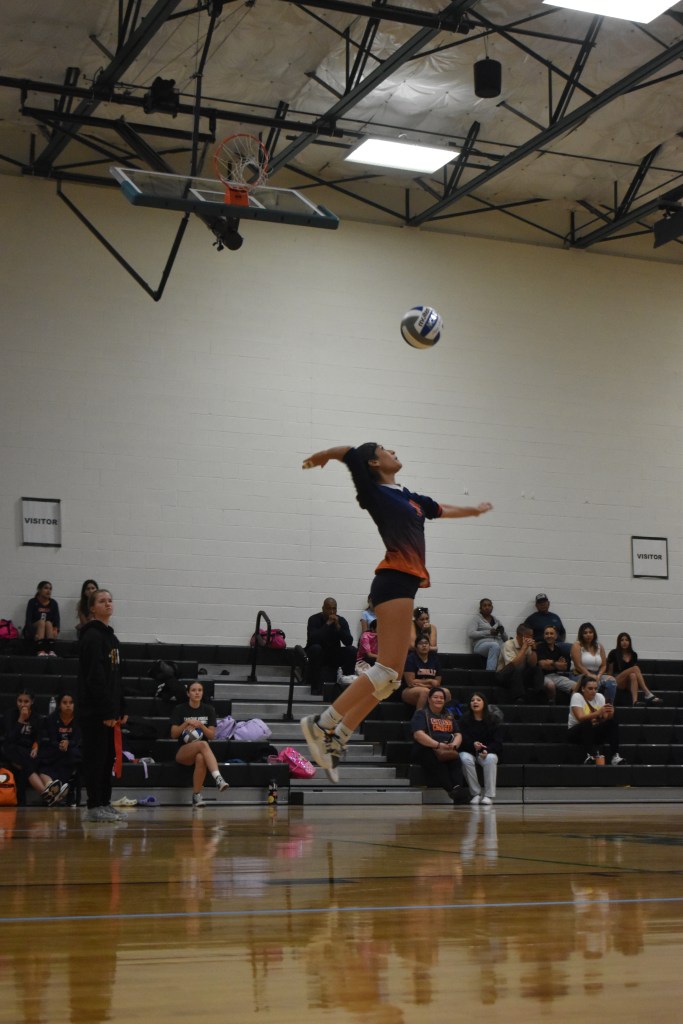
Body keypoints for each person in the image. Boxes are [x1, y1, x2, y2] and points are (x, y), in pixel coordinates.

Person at [300, 442, 492, 782]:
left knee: (388, 681)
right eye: (387, 450)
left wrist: (473, 511)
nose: (394, 451)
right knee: (386, 670)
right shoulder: (374, 492)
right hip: (392, 581)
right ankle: (322, 724)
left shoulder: (409, 496)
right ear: (375, 462)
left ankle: (338, 737)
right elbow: (350, 454)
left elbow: (440, 509)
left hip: (406, 584)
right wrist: (327, 455)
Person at [78, 589, 128, 823]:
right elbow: (95, 678)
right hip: (95, 712)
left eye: (110, 600)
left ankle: (104, 802)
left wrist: (121, 707)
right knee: (95, 758)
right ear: (92, 608)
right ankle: (93, 804)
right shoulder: (92, 637)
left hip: (109, 711)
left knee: (108, 757)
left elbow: (117, 677)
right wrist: (107, 710)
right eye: (102, 601)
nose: (108, 603)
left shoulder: (112, 638)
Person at [2, 690, 69, 804]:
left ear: (32, 702)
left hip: (28, 750)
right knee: (27, 760)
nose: (22, 704)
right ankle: (47, 793)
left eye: (26, 701)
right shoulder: (10, 714)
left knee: (39, 759)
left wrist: (36, 747)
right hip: (13, 749)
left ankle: (51, 788)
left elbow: (38, 737)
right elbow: (10, 738)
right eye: (20, 701)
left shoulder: (36, 717)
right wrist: (21, 720)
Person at [170, 680, 229, 807]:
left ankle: (196, 795)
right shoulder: (180, 709)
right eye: (193, 690)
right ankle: (218, 778)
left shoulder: (209, 710)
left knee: (201, 756)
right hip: (183, 751)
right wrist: (187, 723)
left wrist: (200, 725)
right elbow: (174, 734)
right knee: (203, 744)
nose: (197, 693)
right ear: (188, 693)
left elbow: (212, 736)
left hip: (202, 751)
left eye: (200, 690)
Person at [410, 687, 464, 802]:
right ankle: (453, 791)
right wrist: (438, 745)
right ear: (429, 699)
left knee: (456, 760)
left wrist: (454, 745)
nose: (439, 700)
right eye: (435, 697)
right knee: (437, 762)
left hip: (447, 747)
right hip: (425, 748)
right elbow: (418, 735)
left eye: (441, 698)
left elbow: (458, 733)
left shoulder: (449, 714)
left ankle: (458, 789)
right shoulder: (421, 713)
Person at [458, 692, 503, 805]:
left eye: (478, 700)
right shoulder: (464, 720)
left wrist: (486, 750)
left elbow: (498, 742)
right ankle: (475, 794)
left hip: (487, 752)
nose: (475, 702)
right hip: (470, 751)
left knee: (491, 758)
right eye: (472, 700)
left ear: (484, 703)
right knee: (463, 757)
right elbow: (462, 739)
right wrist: (473, 744)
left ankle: (489, 795)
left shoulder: (493, 720)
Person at [38, 691, 83, 804]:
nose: (68, 705)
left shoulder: (79, 719)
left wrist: (68, 743)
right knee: (43, 759)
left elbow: (78, 740)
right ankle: (56, 789)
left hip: (73, 749)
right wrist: (60, 744)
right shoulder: (52, 719)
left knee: (71, 754)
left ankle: (58, 789)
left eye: (71, 702)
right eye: (65, 702)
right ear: (59, 705)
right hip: (56, 749)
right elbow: (52, 740)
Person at [568, 677, 624, 765]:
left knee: (612, 721)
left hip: (593, 731)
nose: (593, 691)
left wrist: (610, 714)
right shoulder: (577, 696)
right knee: (586, 722)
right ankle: (588, 756)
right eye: (590, 688)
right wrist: (598, 713)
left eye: (595, 688)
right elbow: (580, 718)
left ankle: (615, 756)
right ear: (583, 688)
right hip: (576, 732)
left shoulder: (600, 697)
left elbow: (604, 718)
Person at [306, 598, 358, 692]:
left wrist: (338, 627)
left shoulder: (341, 620)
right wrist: (327, 624)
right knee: (315, 648)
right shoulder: (314, 619)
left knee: (352, 650)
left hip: (333, 654)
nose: (332, 611)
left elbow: (348, 641)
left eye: (334, 609)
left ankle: (346, 686)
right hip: (319, 654)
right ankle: (316, 688)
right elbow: (313, 639)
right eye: (329, 609)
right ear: (323, 608)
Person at [606, 632, 662, 706]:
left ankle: (635, 702)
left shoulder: (633, 654)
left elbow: (634, 674)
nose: (624, 642)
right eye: (622, 640)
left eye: (626, 640)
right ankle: (647, 693)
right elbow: (610, 672)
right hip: (617, 680)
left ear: (630, 642)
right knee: (635, 668)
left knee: (633, 675)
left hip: (628, 682)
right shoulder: (613, 653)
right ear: (618, 642)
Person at [571, 623, 617, 704]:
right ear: (581, 634)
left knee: (612, 681)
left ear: (594, 634)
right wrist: (590, 675)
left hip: (596, 674)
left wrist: (599, 675)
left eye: (590, 632)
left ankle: (607, 706)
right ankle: (592, 707)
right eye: (585, 633)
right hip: (580, 674)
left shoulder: (599, 646)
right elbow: (578, 665)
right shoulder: (577, 645)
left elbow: (603, 665)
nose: (588, 635)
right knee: (594, 683)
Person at [497, 624, 544, 703]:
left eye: (532, 635)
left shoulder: (528, 646)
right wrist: (524, 648)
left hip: (519, 674)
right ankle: (519, 698)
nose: (532, 638)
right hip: (504, 674)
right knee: (517, 669)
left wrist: (534, 650)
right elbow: (513, 665)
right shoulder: (508, 644)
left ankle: (539, 694)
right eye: (530, 636)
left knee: (536, 669)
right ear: (521, 636)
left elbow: (532, 664)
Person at [401, 632, 449, 709]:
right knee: (425, 692)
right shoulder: (411, 658)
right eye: (420, 643)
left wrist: (423, 684)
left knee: (446, 692)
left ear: (429, 646)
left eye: (426, 643)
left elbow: (437, 683)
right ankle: (419, 719)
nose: (424, 645)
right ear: (416, 647)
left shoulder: (435, 659)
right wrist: (430, 681)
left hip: (429, 688)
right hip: (410, 690)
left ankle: (438, 717)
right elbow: (410, 682)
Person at [535, 625, 575, 704]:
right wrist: (556, 664)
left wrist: (551, 663)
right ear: (544, 636)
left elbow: (564, 667)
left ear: (556, 636)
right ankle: (552, 707)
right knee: (551, 685)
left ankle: (573, 706)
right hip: (541, 676)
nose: (549, 636)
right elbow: (542, 665)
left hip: (556, 675)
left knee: (576, 687)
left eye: (551, 633)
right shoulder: (540, 647)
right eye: (546, 634)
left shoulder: (558, 650)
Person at [467, 598, 507, 671]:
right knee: (494, 646)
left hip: (498, 644)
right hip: (481, 645)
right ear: (480, 608)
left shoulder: (496, 620)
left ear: (492, 607)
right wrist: (488, 632)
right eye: (484, 606)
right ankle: (489, 675)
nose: (487, 607)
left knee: (508, 646)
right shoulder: (476, 619)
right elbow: (471, 633)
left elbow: (505, 639)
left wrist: (502, 632)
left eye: (489, 605)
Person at [23, 580, 60, 656]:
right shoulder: (32, 602)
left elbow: (57, 619)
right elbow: (28, 620)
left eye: (50, 589)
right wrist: (33, 634)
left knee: (49, 623)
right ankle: (40, 650)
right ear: (39, 590)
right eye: (46, 588)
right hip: (33, 629)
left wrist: (56, 630)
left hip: (47, 629)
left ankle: (51, 651)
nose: (48, 591)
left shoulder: (53, 603)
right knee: (41, 622)